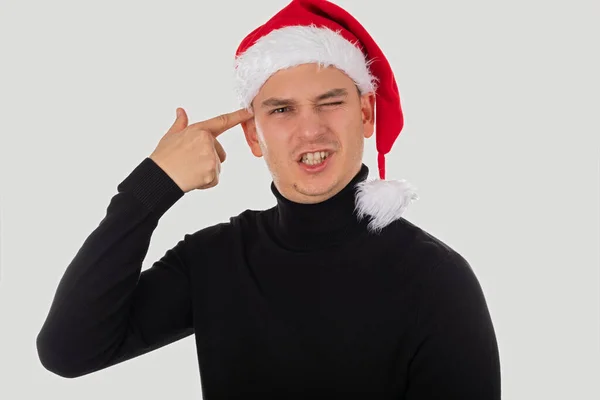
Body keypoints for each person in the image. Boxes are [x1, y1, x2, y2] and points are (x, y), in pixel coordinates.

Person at [36, 0, 501, 398]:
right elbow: (70, 351)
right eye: (281, 110)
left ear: (365, 113)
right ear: (253, 136)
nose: (310, 129)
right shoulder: (214, 259)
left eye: (330, 102)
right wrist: (151, 188)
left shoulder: (435, 279)